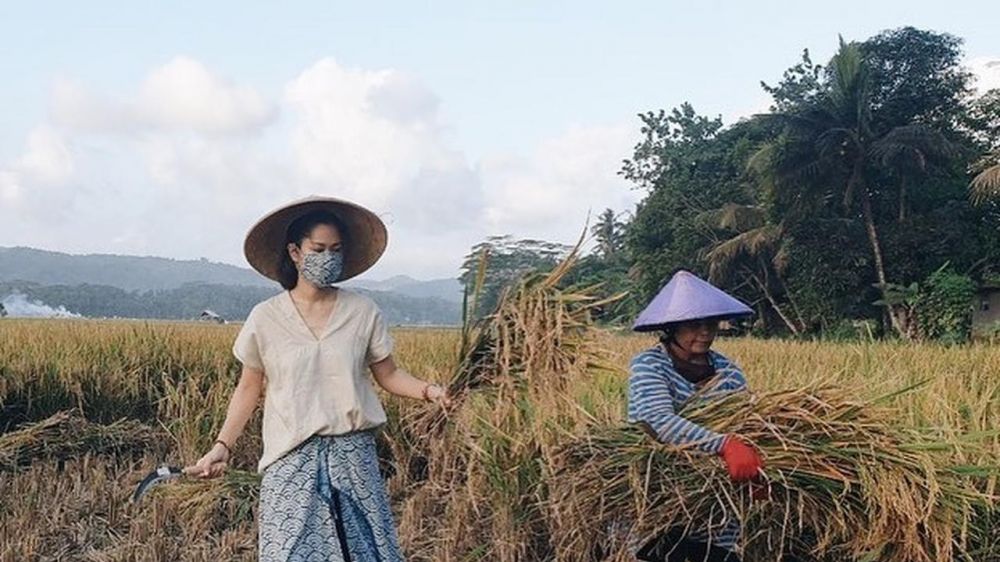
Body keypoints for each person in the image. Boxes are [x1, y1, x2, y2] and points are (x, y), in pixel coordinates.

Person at [185, 195, 450, 561]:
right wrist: (222, 446)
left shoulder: (362, 312)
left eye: (336, 250)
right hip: (290, 459)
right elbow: (249, 388)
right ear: (295, 252)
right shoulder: (266, 318)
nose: (328, 258)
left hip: (353, 459)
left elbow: (388, 374)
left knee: (365, 552)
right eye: (319, 249)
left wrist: (432, 392)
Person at [627, 270, 764, 562]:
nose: (705, 332)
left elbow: (746, 419)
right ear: (672, 327)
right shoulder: (649, 365)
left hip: (718, 506)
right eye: (693, 324)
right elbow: (657, 421)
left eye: (710, 323)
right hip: (662, 497)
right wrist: (723, 445)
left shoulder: (728, 371)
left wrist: (758, 465)